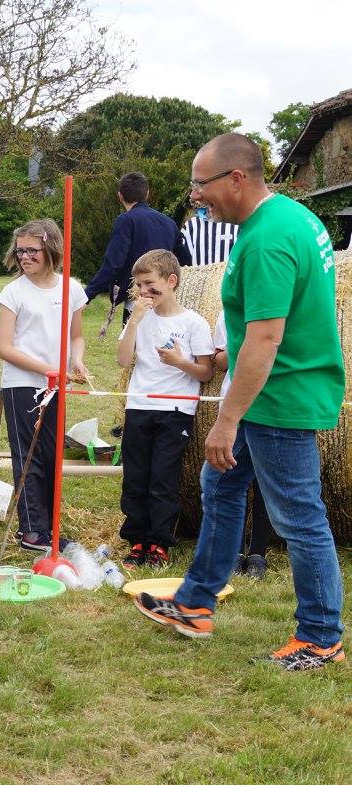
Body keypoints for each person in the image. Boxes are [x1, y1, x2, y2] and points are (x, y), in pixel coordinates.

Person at [135, 133, 345, 671]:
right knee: (221, 485)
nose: (196, 197)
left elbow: (266, 339)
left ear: (235, 178)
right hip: (270, 390)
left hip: (277, 398)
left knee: (299, 516)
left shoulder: (267, 239)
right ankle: (195, 603)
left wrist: (225, 420)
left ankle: (321, 637)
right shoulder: (293, 219)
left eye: (200, 185)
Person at [115, 250, 214, 568]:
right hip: (139, 405)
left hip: (175, 411)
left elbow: (206, 372)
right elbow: (122, 360)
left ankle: (158, 543)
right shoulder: (140, 317)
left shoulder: (193, 322)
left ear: (171, 282)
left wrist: (179, 362)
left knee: (162, 478)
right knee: (135, 476)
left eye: (150, 285)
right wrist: (135, 321)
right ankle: (137, 540)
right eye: (139, 285)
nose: (144, 292)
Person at [0, 219, 88, 552]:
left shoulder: (71, 289)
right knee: (28, 456)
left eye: (32, 250)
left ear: (50, 249)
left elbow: (76, 336)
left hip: (56, 385)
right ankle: (31, 530)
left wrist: (75, 361)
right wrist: (49, 370)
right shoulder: (13, 292)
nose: (25, 257)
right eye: (20, 251)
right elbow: (5, 347)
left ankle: (50, 526)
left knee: (51, 456)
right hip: (23, 384)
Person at [210, 309, 276, 579]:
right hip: (235, 405)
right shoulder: (228, 313)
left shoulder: (277, 310)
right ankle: (233, 551)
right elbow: (220, 362)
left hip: (271, 404)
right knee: (231, 478)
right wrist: (244, 343)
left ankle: (258, 551)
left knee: (264, 483)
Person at [84, 172, 192, 330]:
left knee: (135, 349)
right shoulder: (168, 222)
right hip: (165, 298)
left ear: (120, 196)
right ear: (147, 194)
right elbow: (185, 261)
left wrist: (87, 295)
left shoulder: (126, 220)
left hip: (138, 297)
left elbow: (113, 264)